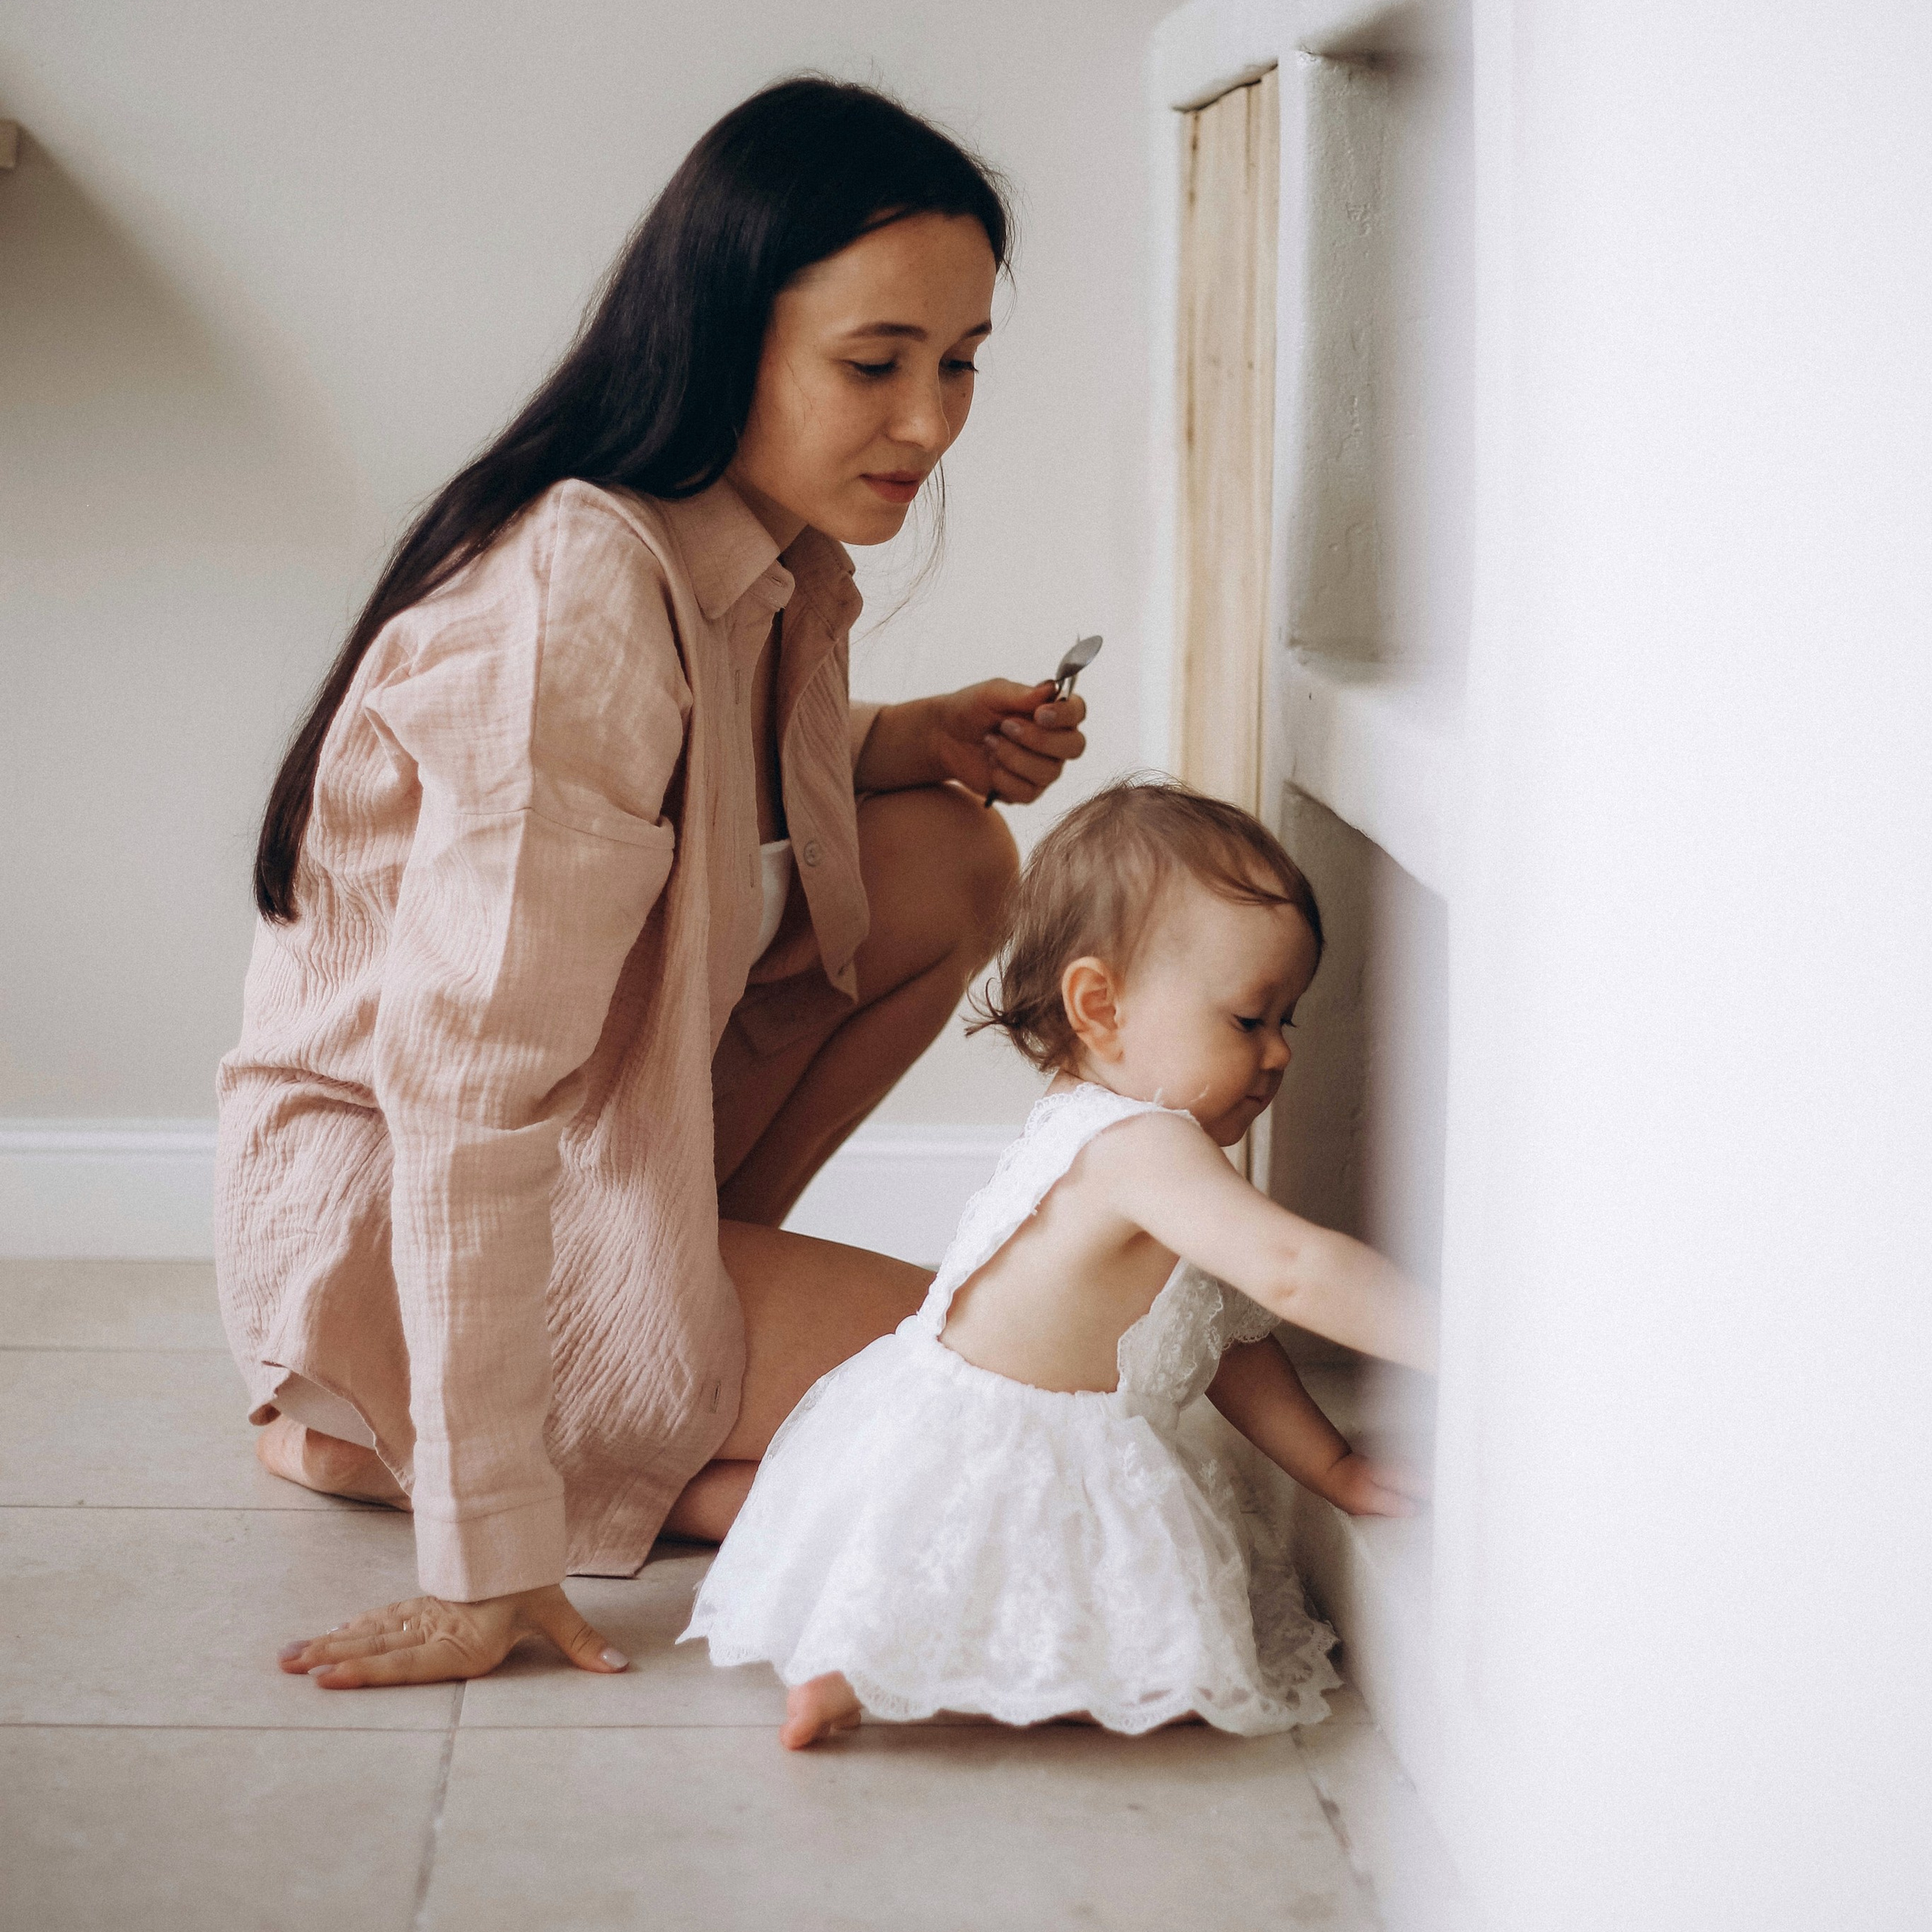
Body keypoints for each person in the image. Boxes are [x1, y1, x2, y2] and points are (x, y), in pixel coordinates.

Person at [248, 78, 1092, 1691]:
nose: (930, 421)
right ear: (721, 335)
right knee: (1036, 1384)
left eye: (961, 360)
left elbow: (685, 768)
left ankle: (670, 1350)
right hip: (400, 1235)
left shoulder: (742, 553)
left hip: (590, 1167)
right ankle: (434, 1422)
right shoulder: (579, 589)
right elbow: (468, 1090)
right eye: (874, 363)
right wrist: (486, 1556)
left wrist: (905, 733)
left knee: (942, 848)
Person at [679, 777, 1435, 1747]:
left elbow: (1225, 1338)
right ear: (1100, 1004)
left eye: (1290, 1018)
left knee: (945, 1560)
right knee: (1141, 1656)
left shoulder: (1104, 1121)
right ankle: (866, 1664)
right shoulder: (1145, 1147)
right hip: (1019, 1442)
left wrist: (1331, 1464)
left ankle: (846, 1663)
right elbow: (1288, 1268)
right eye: (1250, 1020)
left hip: (937, 1413)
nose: (1280, 1052)